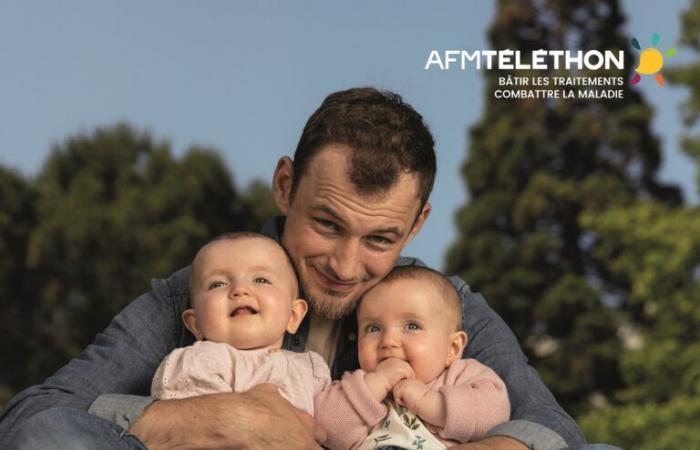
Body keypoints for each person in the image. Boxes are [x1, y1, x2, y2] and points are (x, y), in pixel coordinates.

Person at [0, 87, 599, 450]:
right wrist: (214, 420)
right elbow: (33, 420)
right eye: (328, 224)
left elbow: (553, 428)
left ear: (417, 226)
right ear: (286, 187)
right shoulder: (202, 292)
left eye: (380, 238)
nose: (345, 264)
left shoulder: (439, 305)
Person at [315, 266, 510, 450]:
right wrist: (376, 383)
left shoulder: (461, 375)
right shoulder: (356, 386)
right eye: (373, 328)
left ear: (452, 348)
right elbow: (326, 430)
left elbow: (493, 415)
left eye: (412, 326)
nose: (389, 341)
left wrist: (431, 403)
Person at [151, 232, 331, 417]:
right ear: (196, 324)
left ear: (293, 315)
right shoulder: (199, 363)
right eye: (218, 284)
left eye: (261, 280)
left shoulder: (311, 370)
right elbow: (205, 429)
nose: (240, 290)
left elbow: (340, 433)